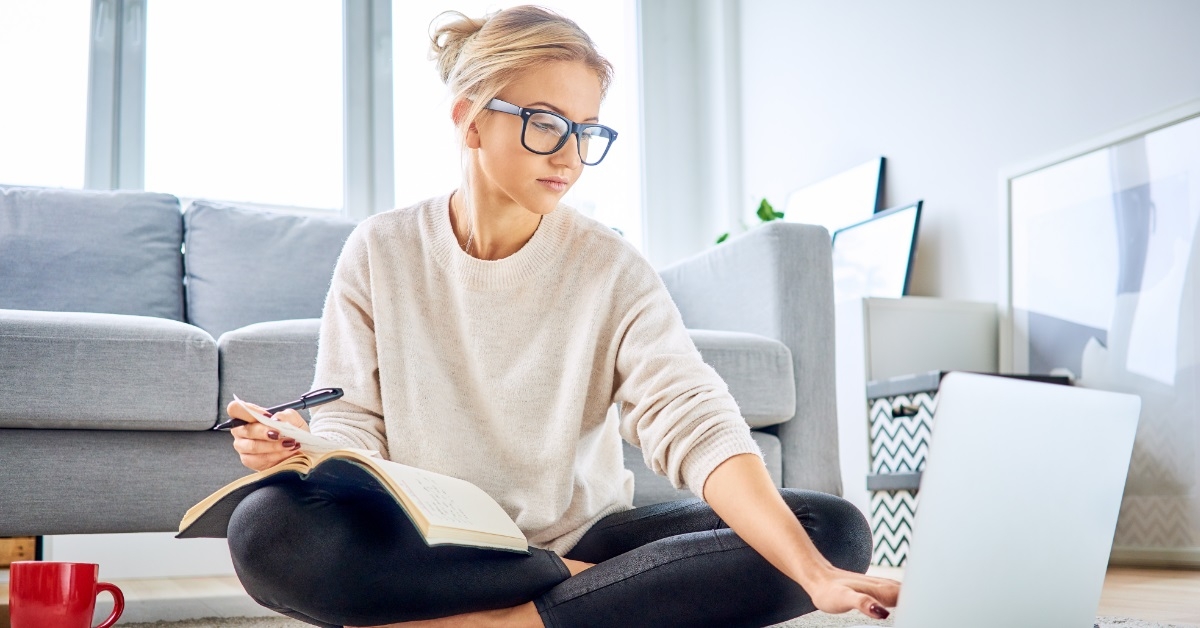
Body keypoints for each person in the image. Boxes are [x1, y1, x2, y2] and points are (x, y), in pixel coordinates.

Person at [223, 6, 900, 627]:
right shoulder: (381, 248)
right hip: (426, 538)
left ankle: (508, 621)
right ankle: (596, 591)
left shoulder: (610, 265)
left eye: (587, 131)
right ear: (470, 120)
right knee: (266, 528)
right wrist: (307, 449)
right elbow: (353, 425)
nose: (571, 156)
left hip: (580, 532)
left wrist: (812, 574)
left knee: (831, 532)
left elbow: (692, 416)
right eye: (546, 123)